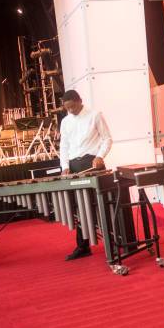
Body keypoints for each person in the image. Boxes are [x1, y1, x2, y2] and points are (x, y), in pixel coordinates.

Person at [59, 90, 113, 261]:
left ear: (80, 101)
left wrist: (100, 156)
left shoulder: (95, 115)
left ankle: (112, 243)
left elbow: (107, 139)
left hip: (92, 163)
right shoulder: (65, 121)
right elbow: (64, 146)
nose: (71, 111)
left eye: (73, 107)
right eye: (68, 109)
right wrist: (65, 166)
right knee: (80, 207)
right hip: (75, 166)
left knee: (100, 204)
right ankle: (83, 247)